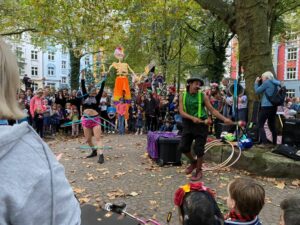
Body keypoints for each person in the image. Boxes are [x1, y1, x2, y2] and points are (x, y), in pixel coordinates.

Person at [0, 38, 81, 224]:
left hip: (37, 118)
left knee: (43, 125)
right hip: (32, 119)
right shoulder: (29, 155)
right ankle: (44, 134)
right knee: (39, 127)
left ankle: (45, 133)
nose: (41, 95)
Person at [178, 77, 233, 181]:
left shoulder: (203, 96)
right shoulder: (182, 95)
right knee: (183, 147)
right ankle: (193, 162)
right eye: (196, 84)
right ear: (189, 84)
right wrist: (192, 118)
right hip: (188, 123)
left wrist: (224, 119)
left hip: (201, 125)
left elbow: (212, 110)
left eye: (199, 84)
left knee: (199, 149)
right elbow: (181, 111)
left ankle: (199, 171)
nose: (198, 86)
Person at [81, 70, 105, 163]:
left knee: (98, 138)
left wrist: (103, 78)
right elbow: (82, 84)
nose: (93, 90)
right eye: (91, 89)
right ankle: (94, 151)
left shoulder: (98, 97)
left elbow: (102, 87)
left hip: (95, 120)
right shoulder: (85, 95)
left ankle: (101, 155)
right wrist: (82, 75)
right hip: (86, 120)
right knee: (88, 139)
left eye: (94, 89)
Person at [254, 71, 281, 146]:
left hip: (266, 106)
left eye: (262, 78)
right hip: (274, 107)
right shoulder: (276, 83)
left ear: (266, 77)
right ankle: (274, 143)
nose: (261, 79)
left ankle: (264, 143)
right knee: (272, 125)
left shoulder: (267, 82)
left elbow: (257, 91)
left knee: (260, 124)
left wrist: (256, 82)